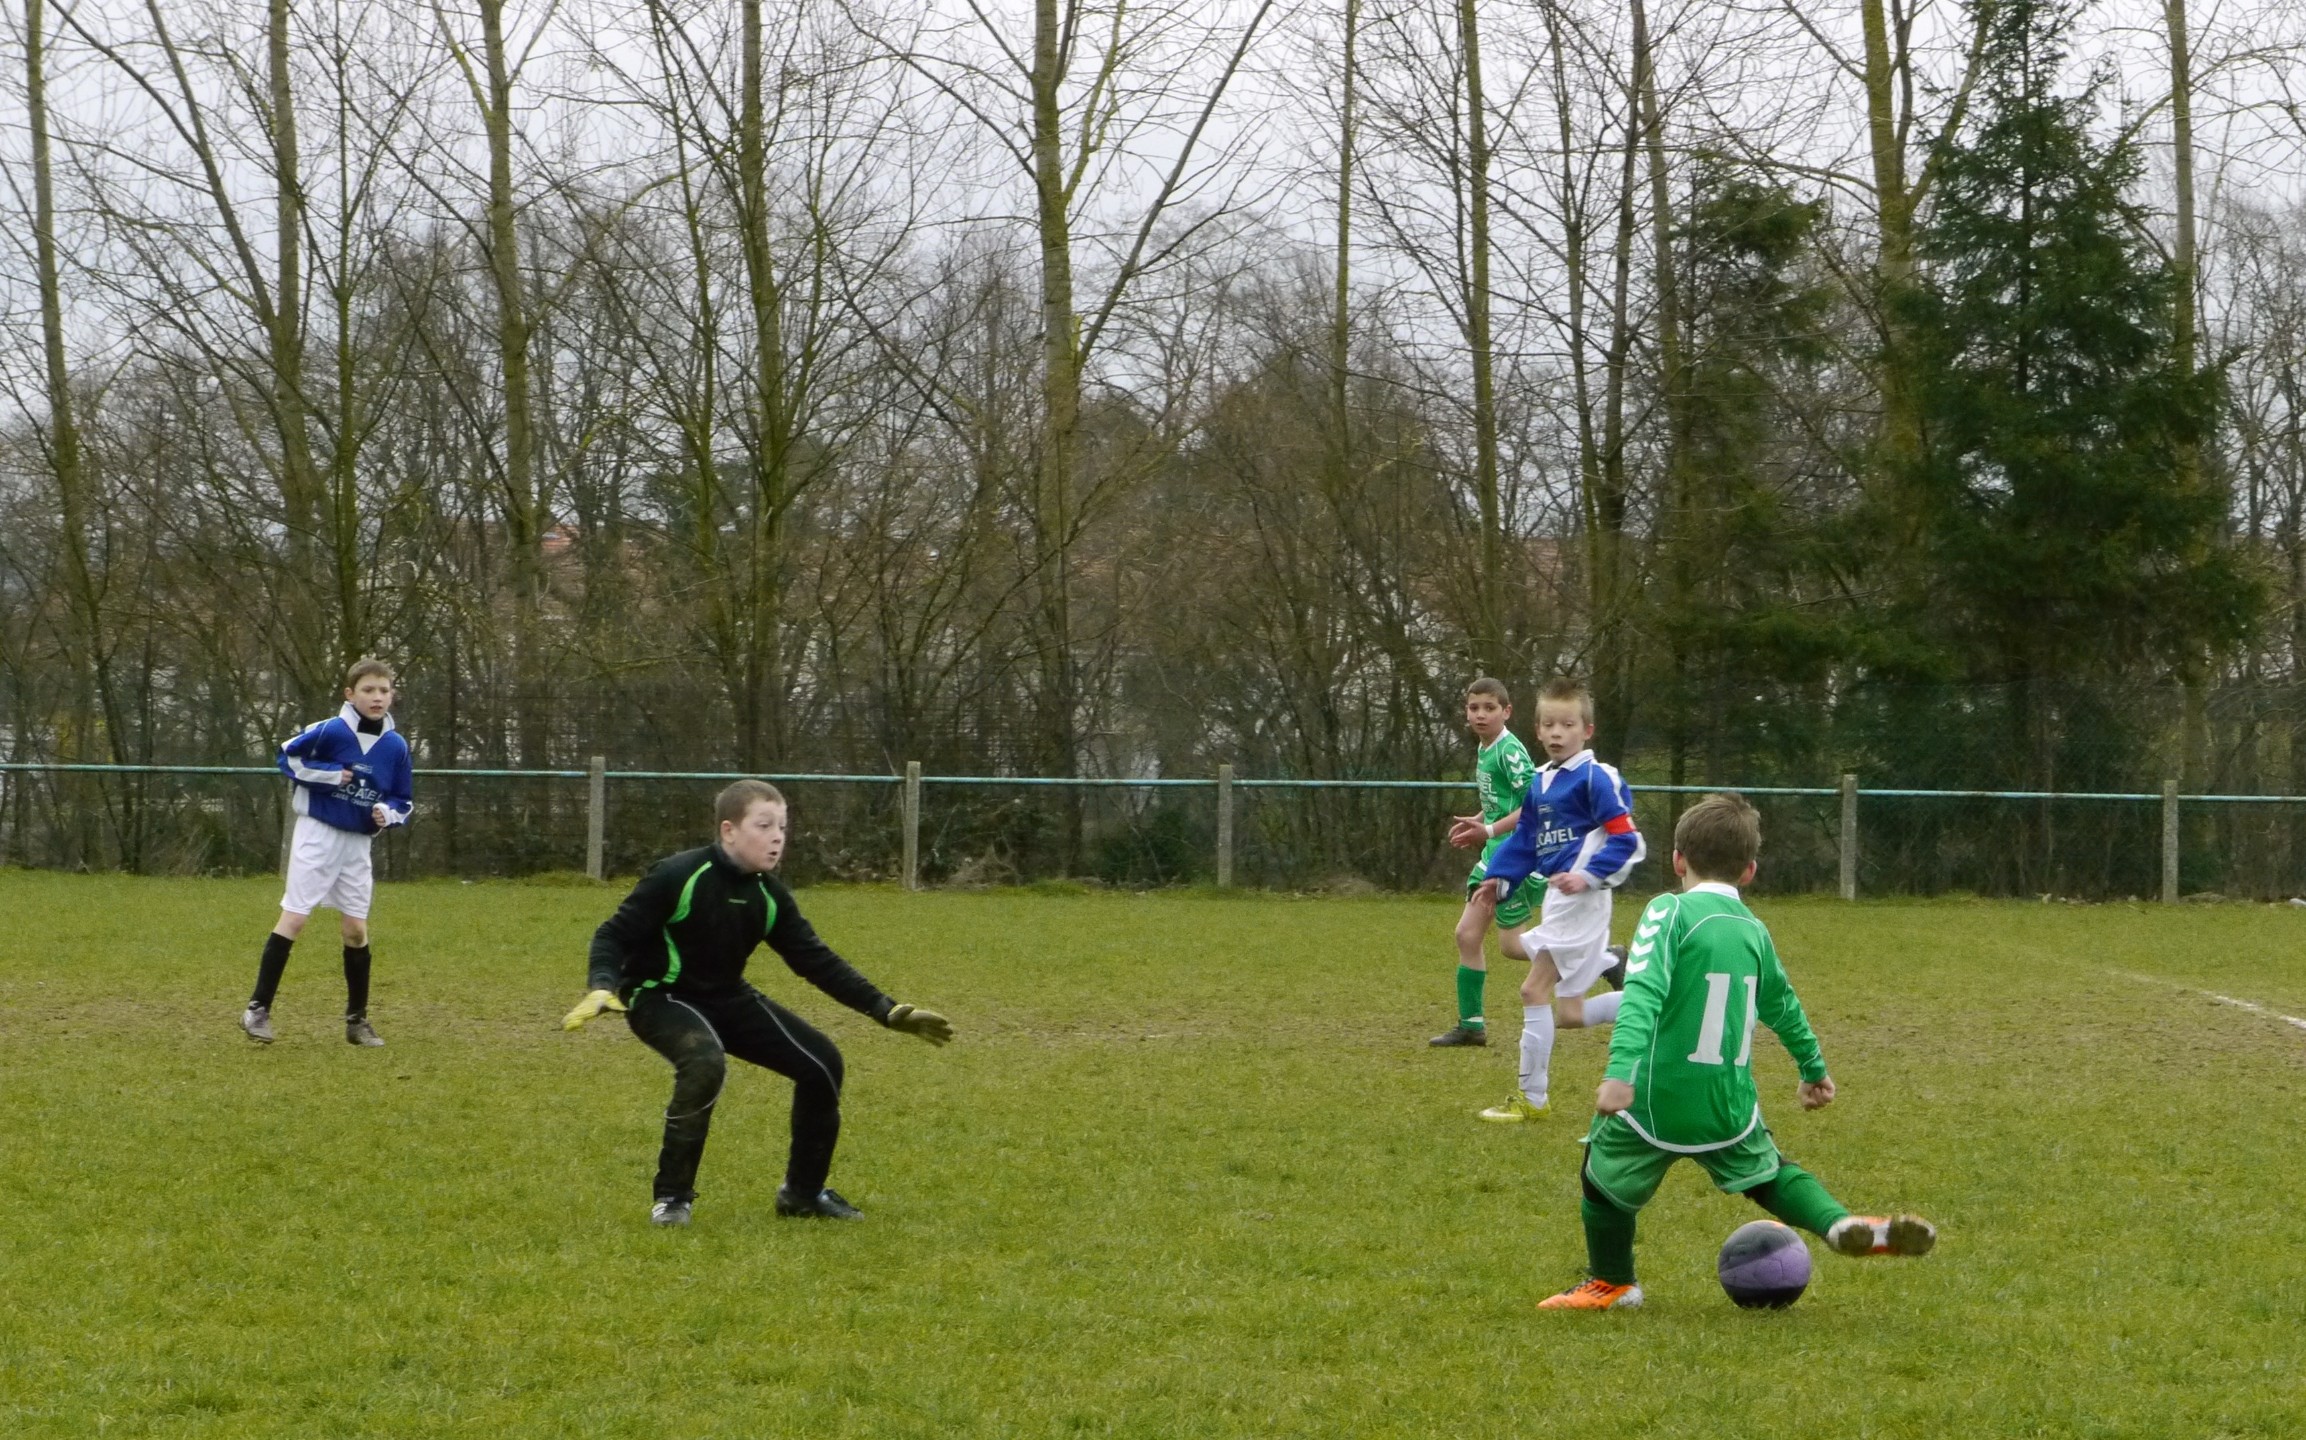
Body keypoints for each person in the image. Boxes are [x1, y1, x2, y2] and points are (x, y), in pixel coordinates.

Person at [1539, 793, 1936, 1310]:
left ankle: (1613, 1283)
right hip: (1727, 1099)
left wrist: (1619, 1074)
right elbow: (1783, 1005)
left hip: (1656, 1095)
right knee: (1770, 1175)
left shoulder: (1668, 910)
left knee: (1601, 1181)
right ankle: (1837, 1222)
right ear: (1749, 871)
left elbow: (1642, 994)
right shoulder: (1754, 930)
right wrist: (1813, 1068)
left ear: (1677, 860)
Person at [563, 779, 955, 1227]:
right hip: (659, 996)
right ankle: (672, 1199)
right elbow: (612, 934)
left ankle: (802, 1195)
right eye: (764, 825)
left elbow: (816, 960)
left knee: (823, 1065)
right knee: (704, 1062)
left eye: (783, 827)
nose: (777, 837)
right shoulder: (678, 875)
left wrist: (884, 1009)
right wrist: (602, 985)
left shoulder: (769, 894)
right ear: (729, 831)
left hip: (727, 996)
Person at [1470, 677, 1644, 1121]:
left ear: (1587, 730)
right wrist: (1498, 878)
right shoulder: (1541, 781)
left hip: (1583, 902)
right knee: (1569, 1013)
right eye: (1548, 724)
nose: (1556, 733)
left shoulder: (1596, 777)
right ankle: (1655, 1006)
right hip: (1558, 899)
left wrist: (1587, 876)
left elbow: (1628, 840)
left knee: (1532, 989)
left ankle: (1532, 1100)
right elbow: (1525, 839)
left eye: (1567, 725)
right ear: (1537, 729)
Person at [241, 657, 412, 1046]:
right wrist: (330, 776)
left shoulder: (397, 747)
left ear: (392, 696)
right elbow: (287, 756)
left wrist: (387, 813)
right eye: (368, 690)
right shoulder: (331, 730)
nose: (377, 697)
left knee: (356, 930)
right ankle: (257, 1009)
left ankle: (357, 1021)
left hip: (357, 842)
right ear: (350, 694)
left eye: (384, 690)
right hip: (318, 834)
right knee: (295, 919)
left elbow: (403, 799)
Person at [1429, 678, 1540, 1048]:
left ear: (1506, 711)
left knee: (1512, 946)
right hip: (1495, 853)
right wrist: (1482, 819)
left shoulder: (1509, 752)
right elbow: (1504, 800)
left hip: (1516, 857)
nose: (1480, 714)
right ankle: (1471, 1025)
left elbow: (1534, 806)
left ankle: (1599, 958)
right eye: (1474, 708)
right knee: (1467, 935)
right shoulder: (1486, 746)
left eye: (1489, 708)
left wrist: (1489, 829)